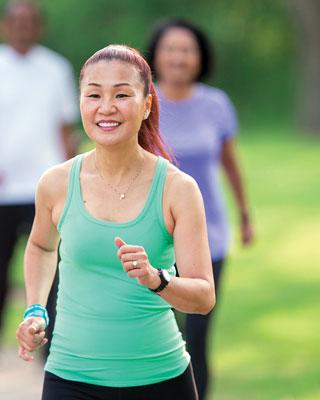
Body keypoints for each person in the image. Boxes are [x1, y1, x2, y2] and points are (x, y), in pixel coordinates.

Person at [16, 44, 215, 399]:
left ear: (147, 105)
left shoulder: (177, 189)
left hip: (161, 380)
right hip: (70, 378)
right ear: (80, 103)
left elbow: (203, 296)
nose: (106, 107)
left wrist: (156, 279)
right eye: (93, 95)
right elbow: (41, 246)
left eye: (122, 95)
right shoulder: (56, 183)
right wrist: (35, 309)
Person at [0, 0, 78, 362]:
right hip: (1, 189)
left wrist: (71, 174)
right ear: (3, 26)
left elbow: (66, 129)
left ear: (39, 27)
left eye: (30, 21)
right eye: (16, 21)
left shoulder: (56, 69)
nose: (23, 27)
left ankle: (47, 341)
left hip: (46, 187)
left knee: (49, 262)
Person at [147, 19, 254, 399]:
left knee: (198, 334)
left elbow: (229, 163)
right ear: (156, 55)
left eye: (187, 49)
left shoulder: (216, 104)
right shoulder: (143, 103)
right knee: (158, 333)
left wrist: (244, 215)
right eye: (170, 48)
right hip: (155, 235)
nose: (179, 56)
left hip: (210, 236)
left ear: (199, 57)